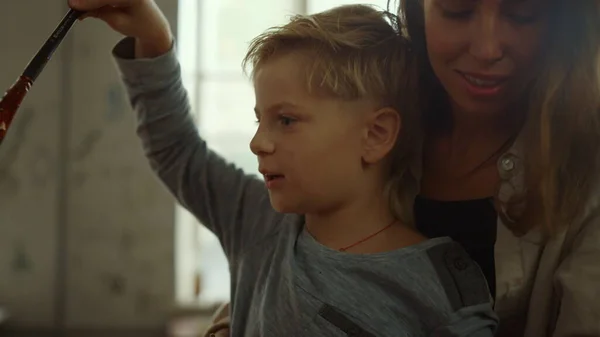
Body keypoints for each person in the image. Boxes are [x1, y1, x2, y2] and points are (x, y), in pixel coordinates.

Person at [67, 0, 600, 336]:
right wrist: (153, 35)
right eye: (259, 119)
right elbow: (176, 150)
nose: (257, 143)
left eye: (287, 121)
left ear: (376, 134)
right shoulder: (258, 221)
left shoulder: (443, 288)